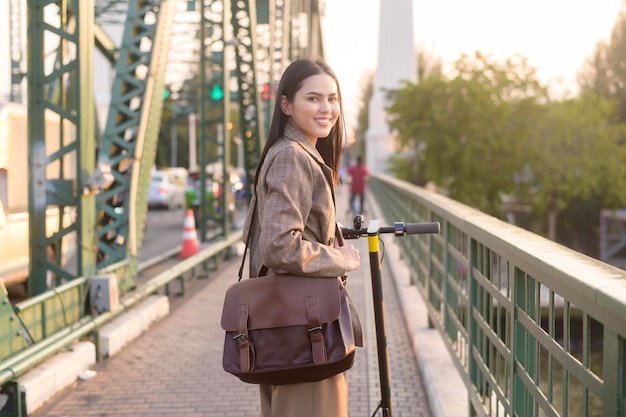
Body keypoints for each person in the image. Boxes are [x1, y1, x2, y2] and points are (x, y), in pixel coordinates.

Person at [241, 58, 361, 417]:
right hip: (304, 328)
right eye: (313, 98)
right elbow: (279, 246)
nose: (326, 108)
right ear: (286, 105)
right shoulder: (293, 157)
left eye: (333, 99)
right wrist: (344, 259)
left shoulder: (295, 152)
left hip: (289, 325)